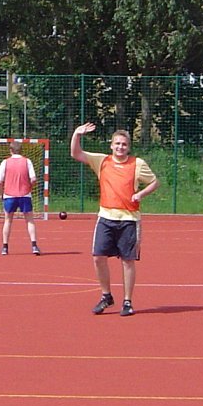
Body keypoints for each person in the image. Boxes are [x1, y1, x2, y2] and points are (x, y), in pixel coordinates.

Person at [71, 123, 159, 316]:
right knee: (98, 257)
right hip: (106, 218)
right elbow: (76, 154)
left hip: (129, 219)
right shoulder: (102, 161)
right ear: (111, 145)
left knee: (127, 261)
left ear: (129, 147)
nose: (120, 147)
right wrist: (77, 134)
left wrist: (140, 194)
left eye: (124, 144)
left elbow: (154, 182)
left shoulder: (137, 164)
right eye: (117, 144)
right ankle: (106, 296)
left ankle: (127, 301)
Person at [0, 141, 40, 256]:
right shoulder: (27, 161)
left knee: (8, 220)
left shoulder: (5, 162)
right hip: (25, 194)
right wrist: (29, 187)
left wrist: (1, 193)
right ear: (21, 150)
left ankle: (5, 247)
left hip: (9, 195)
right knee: (29, 220)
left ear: (10, 150)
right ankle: (34, 245)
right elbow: (33, 179)